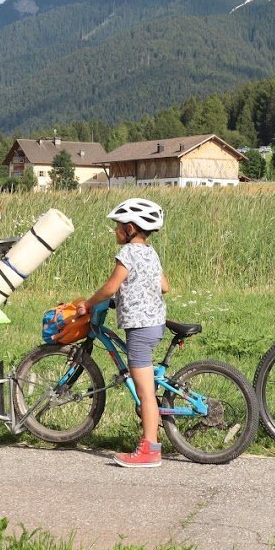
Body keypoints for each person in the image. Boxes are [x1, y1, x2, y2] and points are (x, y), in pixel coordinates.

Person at [75, 198, 170, 468]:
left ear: (130, 228)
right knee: (146, 383)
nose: (115, 230)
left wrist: (88, 303)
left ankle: (150, 449)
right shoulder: (151, 252)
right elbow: (164, 286)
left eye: (117, 226)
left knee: (146, 392)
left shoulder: (128, 253)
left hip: (139, 328)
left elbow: (110, 286)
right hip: (154, 324)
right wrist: (137, 292)